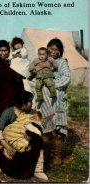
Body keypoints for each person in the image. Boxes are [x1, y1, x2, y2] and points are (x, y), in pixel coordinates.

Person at [0, 91, 48, 180]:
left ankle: (38, 170)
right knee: (4, 145)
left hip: (24, 140)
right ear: (23, 104)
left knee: (38, 141)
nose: (32, 104)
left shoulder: (32, 113)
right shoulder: (8, 112)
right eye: (30, 102)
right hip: (8, 141)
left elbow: (37, 127)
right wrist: (6, 145)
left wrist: (31, 136)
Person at [37, 38, 71, 166]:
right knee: (46, 128)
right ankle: (45, 156)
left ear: (60, 51)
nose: (52, 51)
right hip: (45, 101)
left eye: (56, 49)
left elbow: (67, 78)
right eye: (50, 48)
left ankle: (57, 157)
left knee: (58, 130)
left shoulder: (62, 63)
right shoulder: (42, 62)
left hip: (58, 99)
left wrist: (52, 84)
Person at [0, 40, 25, 121]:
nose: (3, 53)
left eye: (5, 50)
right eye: (1, 50)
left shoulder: (12, 62)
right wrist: (18, 74)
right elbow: (8, 75)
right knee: (3, 114)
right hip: (3, 93)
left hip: (15, 93)